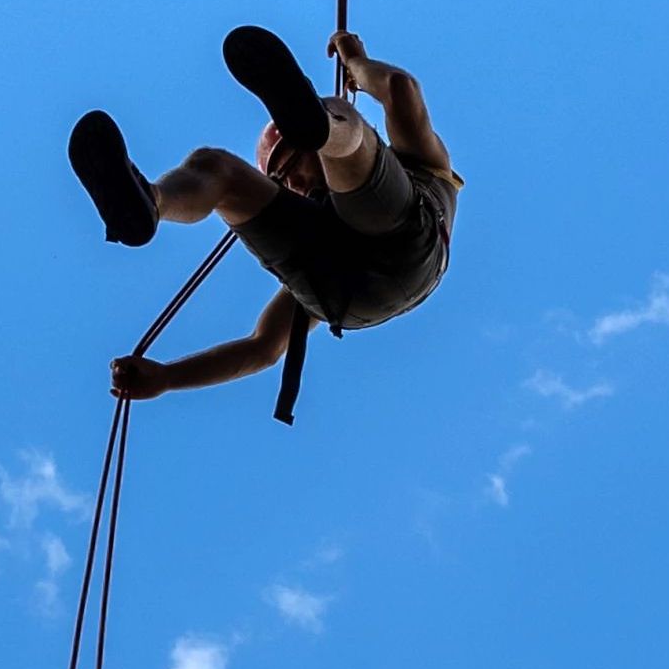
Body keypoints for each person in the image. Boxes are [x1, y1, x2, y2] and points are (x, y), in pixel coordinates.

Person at [68, 25, 458, 400]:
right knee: (214, 167)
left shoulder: (417, 163)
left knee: (347, 133)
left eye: (295, 166)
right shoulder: (314, 243)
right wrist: (167, 378)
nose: (296, 185)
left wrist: (356, 63)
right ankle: (152, 202)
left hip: (407, 246)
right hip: (343, 290)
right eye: (284, 180)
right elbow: (261, 349)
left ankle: (321, 127)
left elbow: (399, 89)